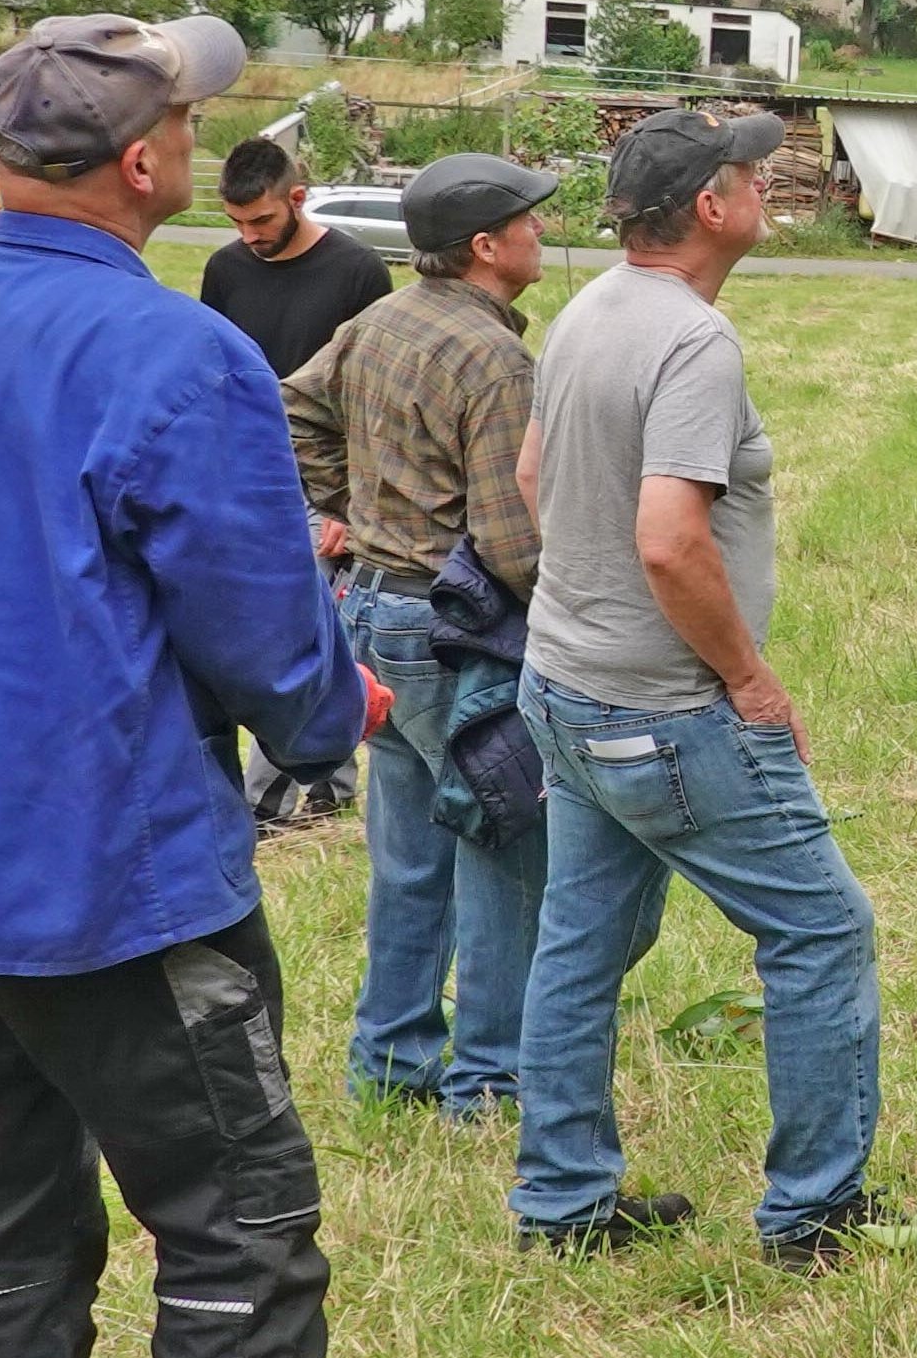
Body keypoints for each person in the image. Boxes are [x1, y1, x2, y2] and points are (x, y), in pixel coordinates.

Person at [0, 11, 363, 1357]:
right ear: (140, 166)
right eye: (185, 119)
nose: (197, 140)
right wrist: (329, 718)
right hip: (112, 888)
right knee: (238, 1244)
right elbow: (266, 638)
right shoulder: (179, 354)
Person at [510, 107, 887, 1268]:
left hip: (564, 690)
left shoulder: (587, 311)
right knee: (822, 931)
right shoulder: (690, 341)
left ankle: (562, 1202)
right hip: (667, 716)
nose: (765, 187)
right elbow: (672, 541)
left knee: (579, 944)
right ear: (710, 209)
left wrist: (590, 606)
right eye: (749, 175)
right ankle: (811, 1215)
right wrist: (747, 678)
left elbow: (533, 476)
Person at [283, 152, 562, 1119]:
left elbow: (293, 408)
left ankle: (391, 1061)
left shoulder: (378, 319)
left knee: (409, 856)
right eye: (530, 222)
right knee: (501, 837)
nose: (541, 235)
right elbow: (514, 541)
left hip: (367, 613)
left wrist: (349, 508)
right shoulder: (497, 359)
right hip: (451, 633)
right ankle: (489, 1079)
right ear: (486, 247)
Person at [202, 135, 396, 382]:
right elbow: (213, 364)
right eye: (237, 221)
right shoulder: (223, 267)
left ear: (297, 199)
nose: (249, 236)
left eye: (261, 220)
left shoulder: (360, 270)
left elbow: (373, 378)